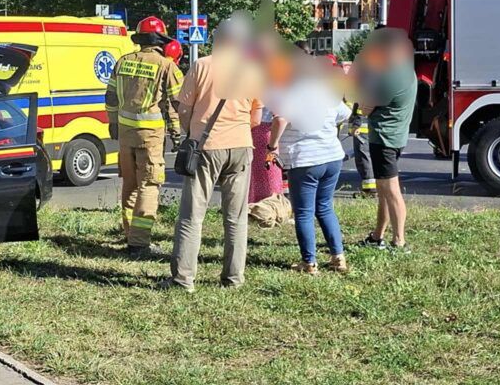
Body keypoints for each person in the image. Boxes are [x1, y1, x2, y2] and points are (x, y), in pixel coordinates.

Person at [165, 20, 263, 291]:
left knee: (192, 215)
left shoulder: (202, 66)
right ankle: (233, 279)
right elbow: (256, 116)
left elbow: (183, 109)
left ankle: (183, 279)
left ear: (219, 39)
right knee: (236, 217)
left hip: (206, 147)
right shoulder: (254, 70)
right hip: (242, 148)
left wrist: (191, 131)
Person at [104, 16, 182, 255]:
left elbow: (110, 97)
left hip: (126, 136)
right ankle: (139, 243)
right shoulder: (167, 66)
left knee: (130, 185)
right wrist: (178, 134)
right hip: (150, 138)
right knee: (149, 185)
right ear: (160, 40)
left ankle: (129, 234)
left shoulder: (123, 62)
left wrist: (113, 122)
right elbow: (176, 103)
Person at [267, 62, 351, 274]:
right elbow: (345, 114)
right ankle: (338, 256)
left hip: (305, 159)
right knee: (324, 207)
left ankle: (309, 262)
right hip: (332, 157)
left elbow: (280, 119)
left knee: (304, 212)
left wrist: (272, 146)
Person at [356, 28, 417, 251]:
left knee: (391, 191)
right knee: (383, 190)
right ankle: (377, 235)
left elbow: (364, 107)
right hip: (394, 136)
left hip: (384, 138)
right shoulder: (404, 70)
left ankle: (399, 241)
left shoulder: (390, 76)